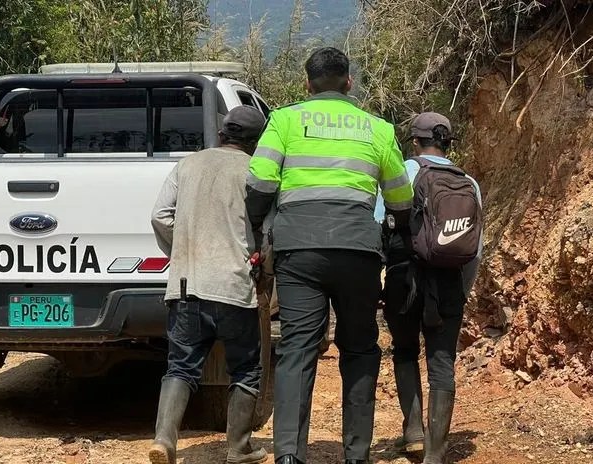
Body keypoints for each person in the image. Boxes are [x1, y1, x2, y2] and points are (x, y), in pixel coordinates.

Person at [245, 47, 414, 464]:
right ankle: (356, 454)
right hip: (358, 251)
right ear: (349, 82)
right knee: (359, 348)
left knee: (297, 350)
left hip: (298, 249)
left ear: (307, 83)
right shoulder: (377, 128)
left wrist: (258, 231)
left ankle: (288, 455)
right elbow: (401, 200)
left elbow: (260, 186)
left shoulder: (283, 120)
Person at [149, 106, 268, 464]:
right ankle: (238, 448)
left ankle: (164, 441)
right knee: (246, 367)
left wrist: (183, 249)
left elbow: (159, 215)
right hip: (234, 285)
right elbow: (268, 231)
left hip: (187, 284)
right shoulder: (256, 172)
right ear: (256, 142)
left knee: (180, 367)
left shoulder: (187, 165)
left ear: (221, 134)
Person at [382, 112, 483, 464]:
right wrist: (461, 289)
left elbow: (381, 224)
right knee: (443, 363)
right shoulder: (468, 181)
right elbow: (474, 249)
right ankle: (435, 454)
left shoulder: (403, 173)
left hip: (404, 278)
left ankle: (412, 432)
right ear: (448, 142)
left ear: (414, 142)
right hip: (449, 282)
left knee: (405, 350)